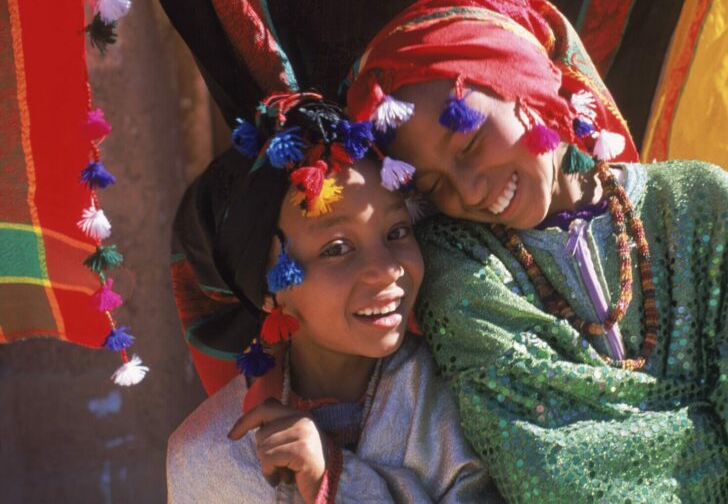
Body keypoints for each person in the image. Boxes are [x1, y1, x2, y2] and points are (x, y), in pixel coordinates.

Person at [345, 0, 728, 503]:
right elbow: (552, 467)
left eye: (470, 143)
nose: (470, 189)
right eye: (433, 186)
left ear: (527, 86)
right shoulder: (459, 267)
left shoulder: (706, 207)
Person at [166, 93, 500, 503]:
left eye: (396, 232)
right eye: (337, 248)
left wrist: (334, 480)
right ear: (270, 291)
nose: (387, 268)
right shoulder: (206, 457)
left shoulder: (467, 398)